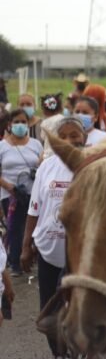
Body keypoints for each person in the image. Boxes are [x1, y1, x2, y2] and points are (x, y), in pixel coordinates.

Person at [21, 117, 85, 355]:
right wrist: (26, 245)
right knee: (49, 314)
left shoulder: (92, 165)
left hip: (79, 254)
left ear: (85, 137)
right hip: (48, 250)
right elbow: (34, 209)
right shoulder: (47, 167)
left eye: (75, 134)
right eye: (64, 136)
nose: (69, 140)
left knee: (78, 310)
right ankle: (59, 354)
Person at [0, 109, 43, 276]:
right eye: (16, 122)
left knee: (33, 226)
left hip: (34, 192)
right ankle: (15, 262)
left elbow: (42, 164)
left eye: (23, 122)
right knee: (14, 229)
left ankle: (32, 258)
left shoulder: (36, 144)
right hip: (10, 194)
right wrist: (9, 186)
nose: (20, 125)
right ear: (10, 124)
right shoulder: (2, 146)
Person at [39, 93, 65, 159]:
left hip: (47, 155)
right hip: (62, 154)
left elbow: (43, 137)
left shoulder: (44, 123)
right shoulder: (64, 119)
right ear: (61, 108)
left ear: (44, 110)